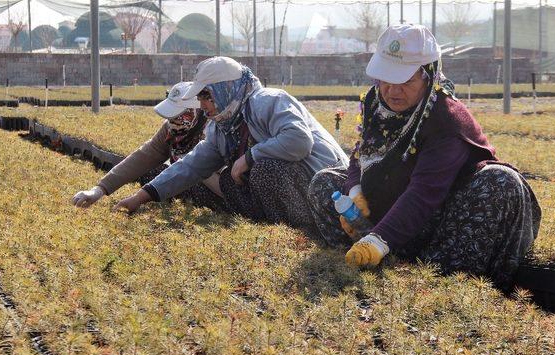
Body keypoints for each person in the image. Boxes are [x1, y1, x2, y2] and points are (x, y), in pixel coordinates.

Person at [308, 24, 541, 290]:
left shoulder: (445, 119)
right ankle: (360, 264)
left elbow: (423, 194)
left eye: (406, 81)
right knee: (324, 182)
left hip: (441, 222)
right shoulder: (376, 102)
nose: (394, 91)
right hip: (390, 212)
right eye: (387, 79)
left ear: (428, 76)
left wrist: (378, 240)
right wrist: (355, 190)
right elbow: (361, 154)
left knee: (501, 181)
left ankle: (438, 284)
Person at [114, 56, 348, 236]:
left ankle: (305, 232)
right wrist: (138, 199)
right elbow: (190, 166)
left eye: (207, 96)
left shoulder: (267, 101)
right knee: (228, 180)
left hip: (327, 189)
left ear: (225, 89)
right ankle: (271, 228)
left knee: (264, 169)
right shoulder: (222, 127)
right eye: (200, 98)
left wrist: (249, 157)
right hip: (293, 192)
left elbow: (299, 141)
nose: (202, 105)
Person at [71, 81, 225, 211]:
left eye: (179, 116)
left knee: (188, 165)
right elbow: (143, 156)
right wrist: (99, 190)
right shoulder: (171, 130)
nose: (173, 122)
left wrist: (190, 160)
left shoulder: (215, 129)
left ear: (198, 111)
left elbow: (226, 181)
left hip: (223, 192)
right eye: (171, 117)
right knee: (158, 171)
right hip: (190, 186)